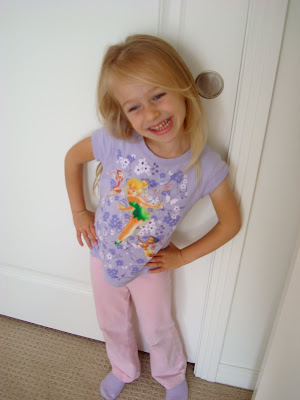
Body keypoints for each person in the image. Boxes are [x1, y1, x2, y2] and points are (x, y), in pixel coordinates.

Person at [65, 34, 241, 400]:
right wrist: (80, 211)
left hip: (151, 266)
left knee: (159, 327)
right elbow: (72, 159)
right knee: (111, 322)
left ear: (183, 88)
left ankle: (172, 376)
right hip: (102, 255)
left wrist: (182, 256)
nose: (152, 114)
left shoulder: (205, 166)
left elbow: (230, 223)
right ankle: (122, 368)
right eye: (135, 106)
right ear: (122, 113)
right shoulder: (117, 139)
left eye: (158, 95)